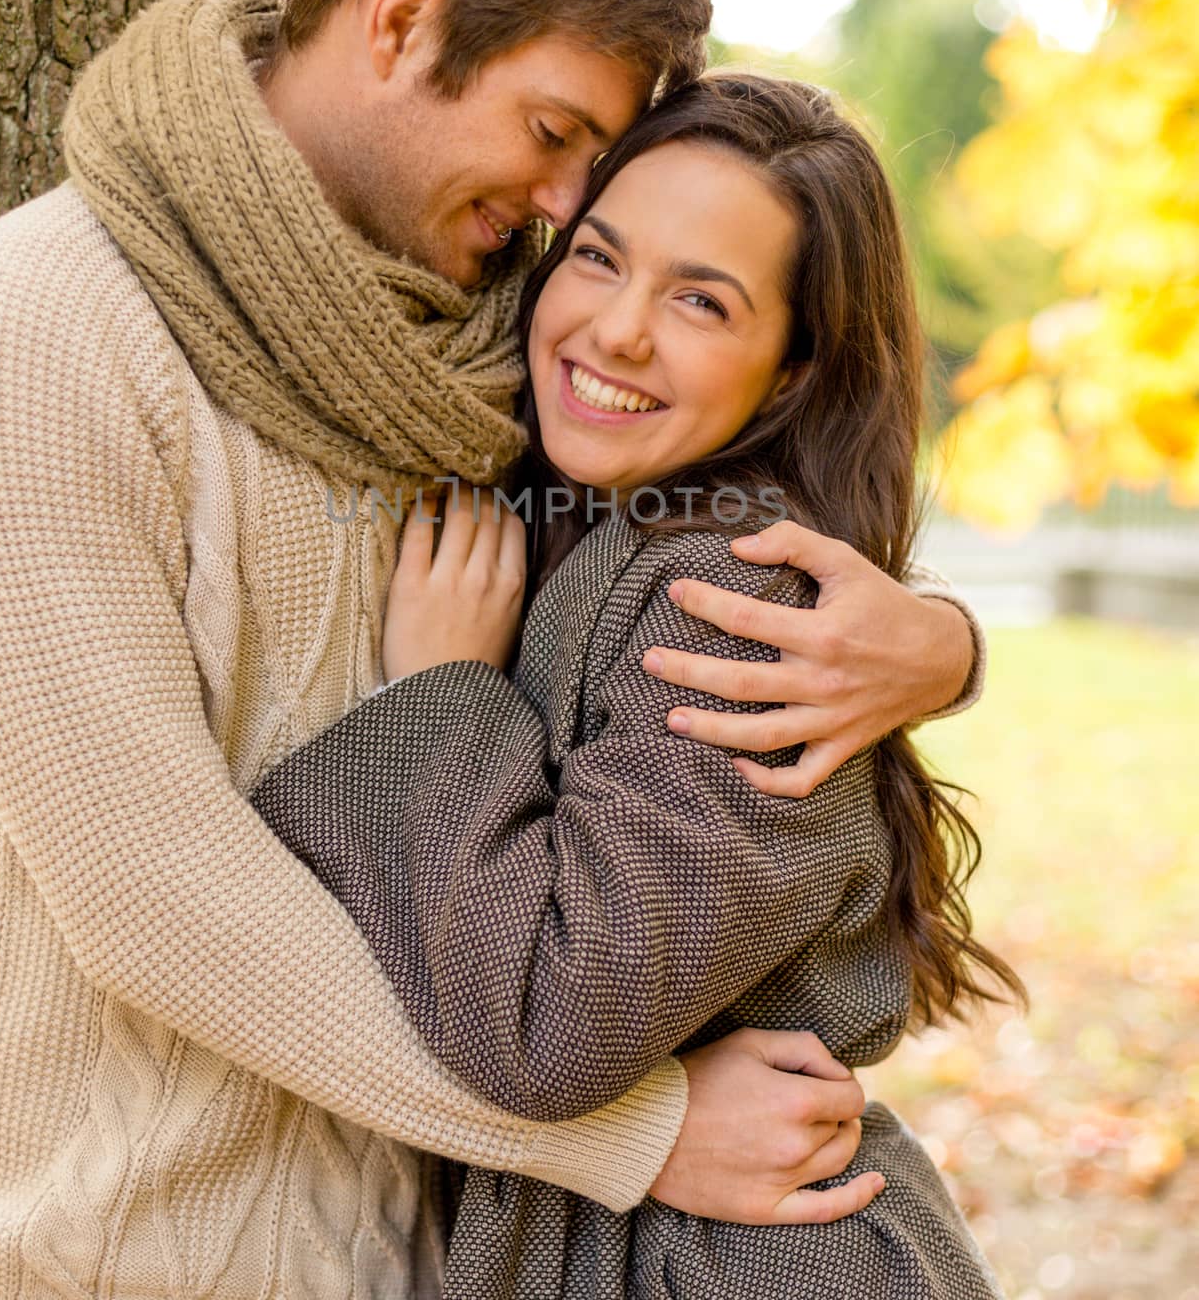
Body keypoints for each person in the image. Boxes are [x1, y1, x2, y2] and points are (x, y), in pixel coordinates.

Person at [0, 0, 982, 1300]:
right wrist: (631, 1133)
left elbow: (709, 552)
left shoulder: (500, 342)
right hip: (126, 1262)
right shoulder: (32, 329)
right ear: (403, 22)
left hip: (440, 1264)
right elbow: (153, 896)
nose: (562, 214)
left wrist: (939, 646)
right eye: (555, 138)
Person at [251, 73, 1022, 1297]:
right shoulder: (600, 518)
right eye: (598, 258)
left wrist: (449, 690)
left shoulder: (743, 596)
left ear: (788, 373)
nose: (615, 329)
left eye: (701, 302)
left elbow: (551, 1025)